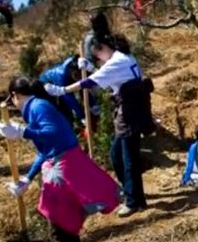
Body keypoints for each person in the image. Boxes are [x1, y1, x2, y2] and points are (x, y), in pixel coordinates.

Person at [0, 77, 119, 242]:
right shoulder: (38, 107)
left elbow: (53, 134)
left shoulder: (37, 107)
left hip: (63, 168)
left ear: (15, 95)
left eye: (11, 98)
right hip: (63, 164)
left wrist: (23, 132)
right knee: (67, 219)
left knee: (57, 228)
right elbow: (45, 149)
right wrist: (27, 177)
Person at [45, 34, 153, 217]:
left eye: (96, 55)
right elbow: (109, 77)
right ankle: (132, 193)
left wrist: (62, 90)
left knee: (128, 159)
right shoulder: (123, 57)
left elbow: (90, 82)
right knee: (117, 155)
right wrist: (92, 67)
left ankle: (135, 201)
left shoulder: (117, 61)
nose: (97, 58)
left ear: (102, 48)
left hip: (129, 113)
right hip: (131, 110)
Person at [38, 56, 95, 125]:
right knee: (62, 109)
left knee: (81, 85)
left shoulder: (78, 63)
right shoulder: (62, 77)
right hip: (47, 86)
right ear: (72, 73)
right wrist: (82, 116)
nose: (79, 78)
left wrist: (93, 105)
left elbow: (83, 87)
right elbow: (70, 99)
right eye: (77, 76)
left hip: (64, 78)